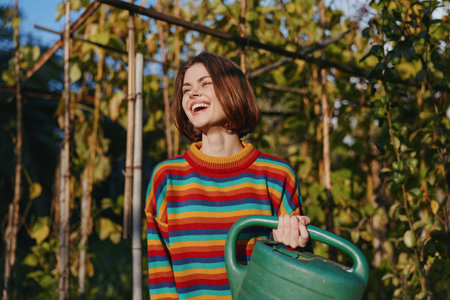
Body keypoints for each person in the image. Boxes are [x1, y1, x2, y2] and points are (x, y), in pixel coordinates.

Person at [144, 51, 311, 299]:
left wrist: (292, 243)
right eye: (186, 89)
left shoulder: (276, 175)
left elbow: (296, 271)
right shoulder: (167, 178)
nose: (192, 93)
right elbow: (161, 278)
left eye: (205, 83)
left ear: (232, 90)